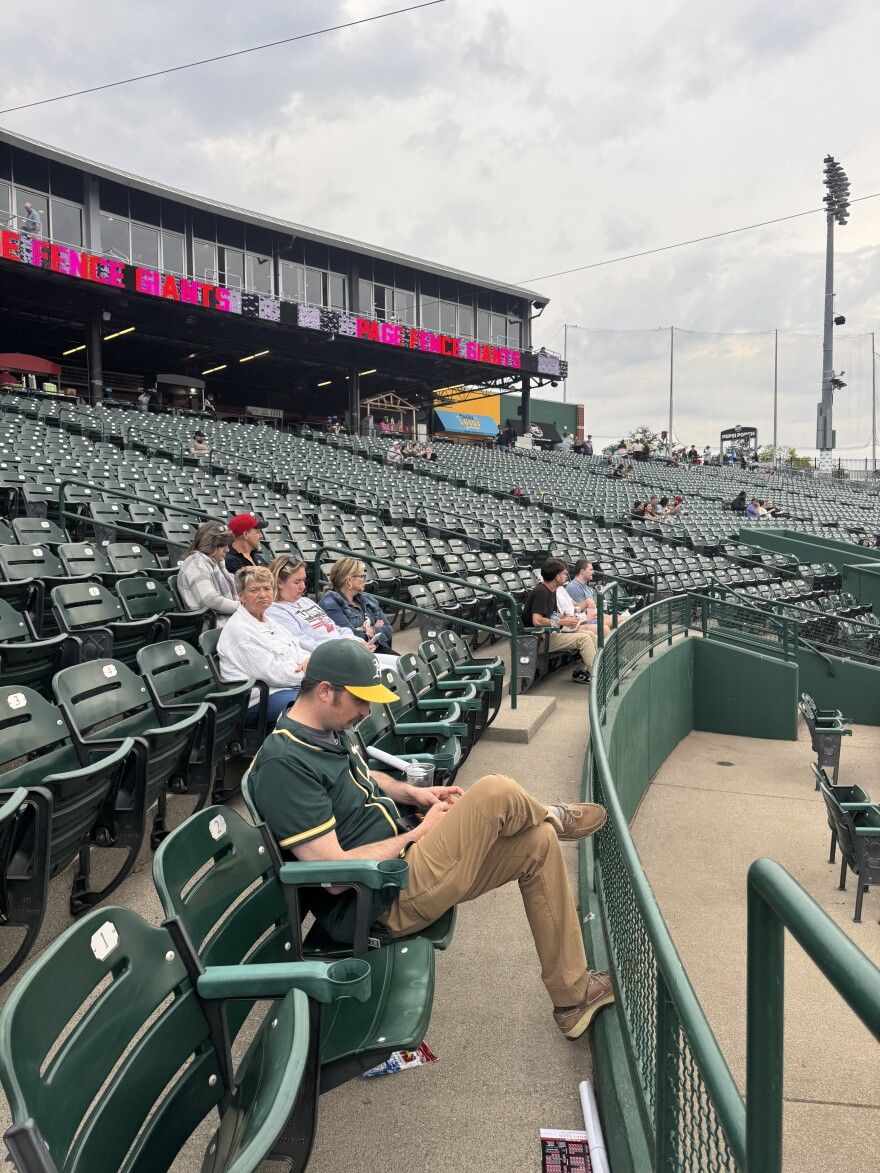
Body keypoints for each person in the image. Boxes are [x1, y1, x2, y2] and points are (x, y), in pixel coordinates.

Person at [246, 639, 615, 1039]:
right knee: (493, 792)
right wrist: (422, 831)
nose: (366, 712)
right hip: (379, 899)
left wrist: (414, 794)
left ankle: (572, 997)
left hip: (405, 864)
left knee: (538, 843)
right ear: (324, 691)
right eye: (359, 701)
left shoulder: (329, 728)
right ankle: (556, 816)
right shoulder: (285, 763)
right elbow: (333, 873)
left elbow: (366, 779)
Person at [266, 556, 398, 667]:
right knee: (392, 673)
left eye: (304, 580)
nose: (304, 586)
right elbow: (302, 643)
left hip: (349, 652)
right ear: (279, 583)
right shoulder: (275, 610)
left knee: (403, 665)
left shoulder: (306, 602)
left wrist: (358, 642)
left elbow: (337, 629)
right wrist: (348, 649)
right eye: (297, 582)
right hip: (332, 661)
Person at [218, 566, 309, 726]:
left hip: (286, 686)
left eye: (267, 589)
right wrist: (310, 674)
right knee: (318, 704)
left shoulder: (267, 620)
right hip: (255, 700)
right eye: (254, 590)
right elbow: (272, 675)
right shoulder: (240, 629)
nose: (262, 595)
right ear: (241, 596)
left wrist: (308, 662)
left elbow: (295, 647)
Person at [521, 559, 597, 685]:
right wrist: (563, 622)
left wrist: (567, 619)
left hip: (546, 635)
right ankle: (597, 678)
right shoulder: (541, 591)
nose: (566, 575)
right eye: (564, 573)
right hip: (536, 640)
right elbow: (537, 620)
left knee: (589, 635)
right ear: (557, 576)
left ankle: (598, 671)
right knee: (583, 639)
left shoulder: (552, 590)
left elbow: (553, 615)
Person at [322, 557, 393, 651]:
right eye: (362, 576)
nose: (365, 579)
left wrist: (368, 630)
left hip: (376, 649)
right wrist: (375, 630)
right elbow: (350, 636)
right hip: (354, 654)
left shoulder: (368, 599)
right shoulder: (330, 603)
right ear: (349, 580)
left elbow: (388, 629)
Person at [175, 521, 238, 627]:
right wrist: (243, 607)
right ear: (210, 544)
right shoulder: (196, 563)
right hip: (210, 624)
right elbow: (210, 600)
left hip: (226, 620)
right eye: (223, 545)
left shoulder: (214, 562)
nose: (227, 550)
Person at [564, 559, 615, 637]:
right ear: (582, 571)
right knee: (618, 621)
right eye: (590, 570)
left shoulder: (587, 587)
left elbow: (593, 611)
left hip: (594, 617)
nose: (593, 572)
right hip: (585, 621)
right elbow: (586, 613)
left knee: (622, 619)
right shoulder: (573, 587)